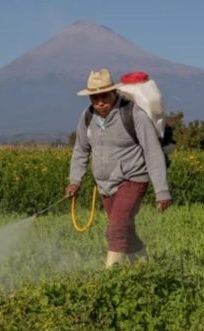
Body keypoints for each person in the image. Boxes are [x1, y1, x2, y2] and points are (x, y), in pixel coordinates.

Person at [66, 68, 171, 268]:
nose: (100, 103)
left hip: (132, 179)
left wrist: (162, 191)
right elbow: (80, 149)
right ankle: (147, 270)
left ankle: (110, 279)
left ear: (114, 92)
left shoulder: (133, 114)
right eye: (94, 98)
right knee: (126, 231)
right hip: (106, 185)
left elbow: (153, 151)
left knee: (115, 231)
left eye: (104, 96)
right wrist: (75, 181)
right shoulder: (87, 117)